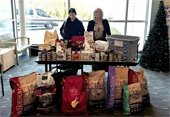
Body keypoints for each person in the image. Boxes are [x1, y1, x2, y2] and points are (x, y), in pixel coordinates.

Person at [59, 8, 85, 73]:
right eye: (70, 13)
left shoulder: (79, 23)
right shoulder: (65, 22)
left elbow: (83, 32)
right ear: (68, 14)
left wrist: (79, 39)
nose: (71, 14)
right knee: (67, 57)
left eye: (73, 13)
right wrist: (64, 37)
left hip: (76, 44)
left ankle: (74, 72)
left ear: (75, 14)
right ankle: (67, 72)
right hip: (67, 43)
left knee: (75, 58)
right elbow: (61, 30)